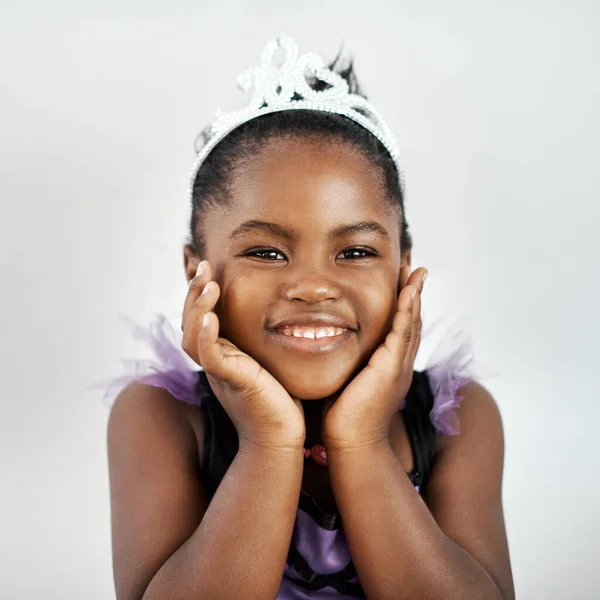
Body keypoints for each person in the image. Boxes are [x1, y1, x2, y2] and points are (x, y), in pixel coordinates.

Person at [101, 35, 514, 599]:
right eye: (266, 252)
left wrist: (362, 440)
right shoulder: (161, 419)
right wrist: (267, 441)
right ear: (197, 273)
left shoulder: (461, 421)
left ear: (403, 269)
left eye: (356, 252)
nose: (314, 286)